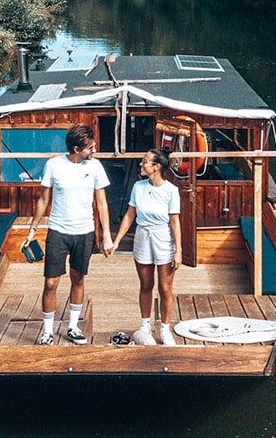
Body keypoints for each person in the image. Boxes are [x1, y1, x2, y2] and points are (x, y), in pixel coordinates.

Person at [23, 124, 112, 345]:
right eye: (90, 148)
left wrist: (107, 235)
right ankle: (47, 331)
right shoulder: (53, 165)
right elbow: (43, 199)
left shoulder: (96, 166)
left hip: (85, 232)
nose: (94, 150)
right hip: (58, 231)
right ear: (75, 149)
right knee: (51, 283)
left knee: (78, 279)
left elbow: (101, 203)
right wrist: (32, 229)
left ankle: (72, 327)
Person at [109, 147, 182, 346]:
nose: (141, 164)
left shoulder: (171, 191)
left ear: (156, 167)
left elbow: (174, 221)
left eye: (145, 161)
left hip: (163, 238)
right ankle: (145, 325)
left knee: (165, 288)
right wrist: (116, 242)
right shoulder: (138, 187)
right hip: (142, 235)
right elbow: (130, 215)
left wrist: (178, 250)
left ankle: (165, 329)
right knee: (146, 285)